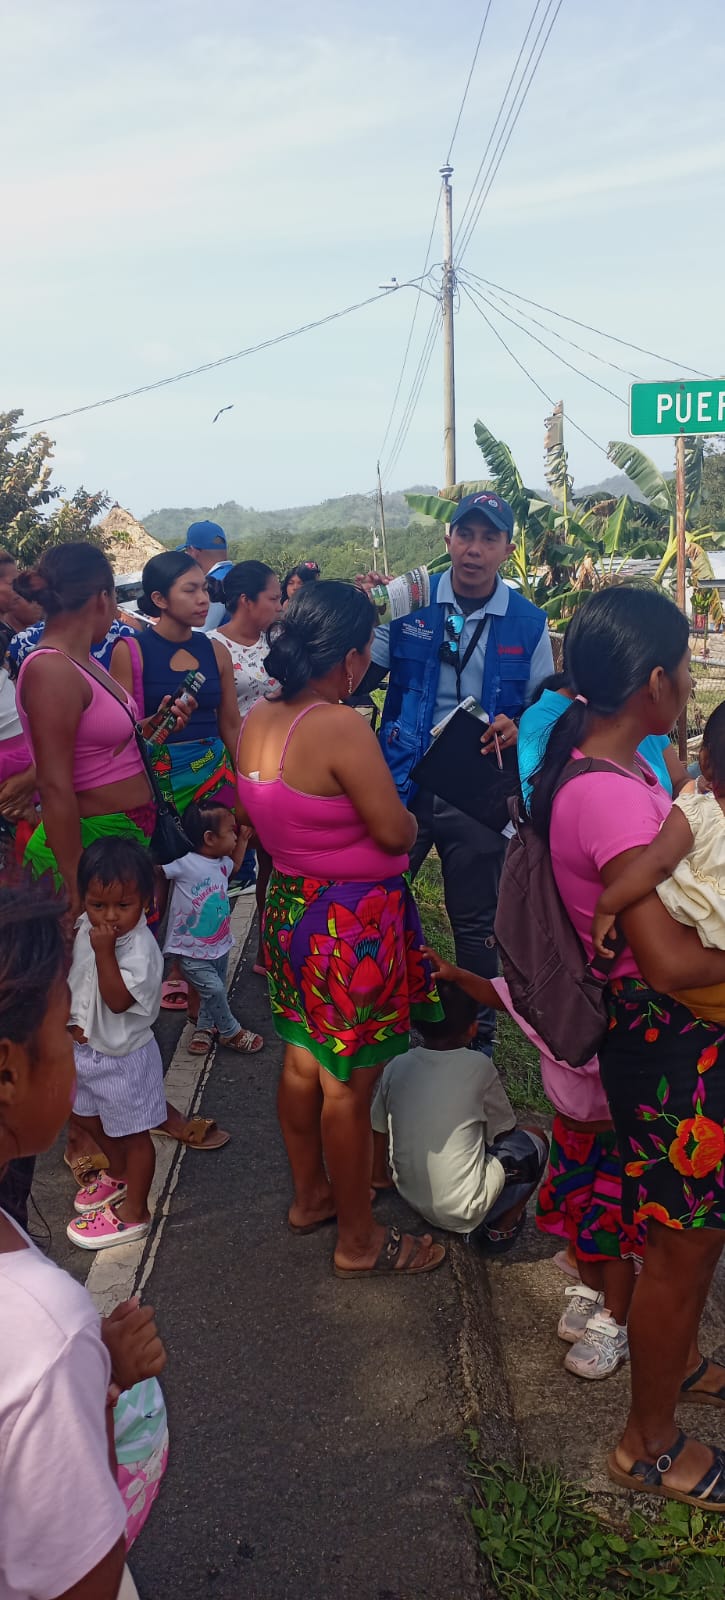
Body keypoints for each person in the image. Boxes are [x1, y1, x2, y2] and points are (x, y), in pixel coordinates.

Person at [530, 584, 725, 1509]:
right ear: (654, 682)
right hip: (670, 1047)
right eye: (683, 666)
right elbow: (670, 961)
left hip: (671, 1040)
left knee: (686, 1241)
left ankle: (674, 1361)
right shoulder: (610, 799)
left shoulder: (619, 769)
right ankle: (645, 1444)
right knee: (681, 1251)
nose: (686, 680)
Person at [236, 579, 445, 1278]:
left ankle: (311, 1196)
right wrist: (409, 819)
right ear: (351, 658)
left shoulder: (260, 719)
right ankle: (358, 1239)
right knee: (347, 1087)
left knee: (303, 1062)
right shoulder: (337, 725)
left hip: (291, 909)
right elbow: (393, 831)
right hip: (349, 927)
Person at [0, 873, 166, 1600]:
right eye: (64, 1030)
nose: (75, 1041)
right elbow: (85, 1581)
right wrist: (99, 1382)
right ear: (8, 1071)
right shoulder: (47, 1332)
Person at [361, 491, 553, 1051]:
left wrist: (519, 724)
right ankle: (383, 1019)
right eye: (465, 535)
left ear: (507, 549)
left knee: (475, 921)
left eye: (489, 538)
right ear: (447, 540)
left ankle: (478, 1035)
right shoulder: (409, 606)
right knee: (378, 900)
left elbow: (545, 706)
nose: (474, 549)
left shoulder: (528, 622)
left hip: (478, 788)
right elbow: (358, 677)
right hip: (403, 781)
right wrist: (361, 615)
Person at [111, 550, 241, 1012]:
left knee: (207, 878)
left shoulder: (215, 649)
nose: (204, 599)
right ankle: (146, 967)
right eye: (191, 590)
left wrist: (246, 782)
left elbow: (230, 722)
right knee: (156, 878)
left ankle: (190, 974)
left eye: (205, 589)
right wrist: (156, 726)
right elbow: (124, 729)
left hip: (212, 777)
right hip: (158, 781)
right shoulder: (131, 650)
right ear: (159, 599)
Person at [371, 975, 548, 1253]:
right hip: (462, 1210)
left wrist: (379, 1178)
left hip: (409, 1195)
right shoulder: (478, 1066)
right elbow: (505, 1132)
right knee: (535, 1138)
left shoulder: (397, 1064)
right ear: (473, 1028)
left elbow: (378, 1128)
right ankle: (501, 1230)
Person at [65, 838, 166, 1250]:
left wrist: (104, 951)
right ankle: (120, 1173)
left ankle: (135, 1212)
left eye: (123, 905)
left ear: (146, 900)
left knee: (136, 1134)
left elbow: (118, 1000)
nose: (109, 916)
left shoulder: (140, 950)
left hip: (124, 1060)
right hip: (86, 1050)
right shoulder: (86, 927)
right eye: (97, 905)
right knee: (85, 1116)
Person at [593, 699, 725, 994]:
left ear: (704, 762)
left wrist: (608, 903)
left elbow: (658, 862)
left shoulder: (697, 812)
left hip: (696, 968)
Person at [209, 559, 282, 947]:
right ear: (245, 601)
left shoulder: (277, 641)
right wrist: (247, 774)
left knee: (273, 859)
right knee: (222, 857)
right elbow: (226, 719)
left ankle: (268, 946)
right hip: (235, 765)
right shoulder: (214, 646)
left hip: (280, 761)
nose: (279, 606)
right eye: (273, 598)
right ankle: (201, 950)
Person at [163, 800, 263, 1055]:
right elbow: (157, 871)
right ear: (209, 838)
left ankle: (204, 1029)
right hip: (190, 948)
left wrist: (242, 842)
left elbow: (235, 868)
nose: (234, 835)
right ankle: (231, 1031)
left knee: (211, 991)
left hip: (219, 945)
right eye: (231, 831)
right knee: (215, 989)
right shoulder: (185, 864)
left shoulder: (221, 862)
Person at [517, 669, 690, 808]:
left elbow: (680, 781)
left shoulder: (641, 712)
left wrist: (691, 803)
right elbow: (548, 811)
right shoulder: (541, 719)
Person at [176, 520, 233, 631]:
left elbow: (199, 631)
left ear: (193, 551)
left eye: (187, 551)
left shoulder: (213, 584)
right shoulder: (236, 574)